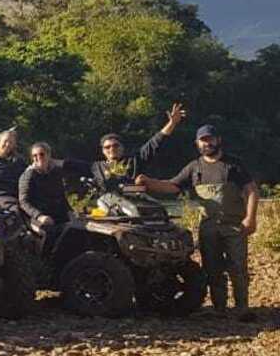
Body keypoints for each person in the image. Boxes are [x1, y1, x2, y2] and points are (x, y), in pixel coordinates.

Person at [138, 124, 260, 319]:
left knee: (238, 267)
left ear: (218, 140)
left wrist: (250, 218)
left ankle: (242, 308)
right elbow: (172, 186)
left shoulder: (234, 164)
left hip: (234, 225)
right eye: (203, 140)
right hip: (208, 226)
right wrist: (148, 182)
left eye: (210, 139)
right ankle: (219, 309)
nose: (207, 143)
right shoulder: (194, 167)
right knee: (212, 268)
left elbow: (252, 190)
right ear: (197, 143)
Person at [90, 103, 185, 191]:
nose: (112, 149)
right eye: (107, 147)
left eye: (116, 145)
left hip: (133, 204)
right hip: (105, 205)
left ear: (122, 147)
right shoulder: (96, 167)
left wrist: (172, 123)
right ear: (103, 150)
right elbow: (75, 164)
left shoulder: (135, 160)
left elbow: (155, 142)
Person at [18, 142, 90, 252]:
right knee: (52, 234)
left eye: (41, 154)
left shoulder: (56, 172)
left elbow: (61, 196)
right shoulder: (28, 175)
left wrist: (70, 212)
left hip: (57, 212)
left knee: (79, 229)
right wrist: (39, 216)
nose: (38, 158)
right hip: (37, 215)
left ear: (48, 155)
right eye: (35, 155)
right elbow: (23, 202)